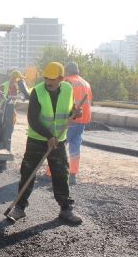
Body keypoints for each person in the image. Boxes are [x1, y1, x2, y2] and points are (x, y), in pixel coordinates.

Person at [6, 62, 83, 225]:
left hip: (58, 140)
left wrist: (74, 113)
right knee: (28, 172)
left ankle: (65, 209)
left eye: (53, 79)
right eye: (46, 78)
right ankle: (19, 208)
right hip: (37, 140)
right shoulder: (37, 92)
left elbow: (68, 110)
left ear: (61, 78)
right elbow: (32, 119)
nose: (48, 82)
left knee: (61, 173)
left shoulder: (68, 89)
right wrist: (48, 136)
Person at [61, 62, 92, 185]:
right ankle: (73, 175)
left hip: (70, 120)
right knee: (75, 148)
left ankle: (51, 173)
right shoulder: (86, 83)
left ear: (67, 71)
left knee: (59, 146)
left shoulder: (67, 82)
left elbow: (62, 102)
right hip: (82, 121)